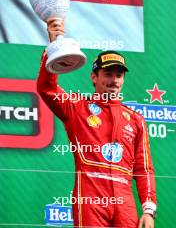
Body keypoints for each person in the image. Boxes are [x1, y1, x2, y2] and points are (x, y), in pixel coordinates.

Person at [37, 19, 157, 228]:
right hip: (90, 196)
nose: (114, 80)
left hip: (124, 200)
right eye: (108, 74)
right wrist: (54, 46)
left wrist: (148, 210)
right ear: (94, 77)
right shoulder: (76, 107)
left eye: (118, 75)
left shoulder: (136, 119)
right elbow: (47, 88)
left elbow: (143, 168)